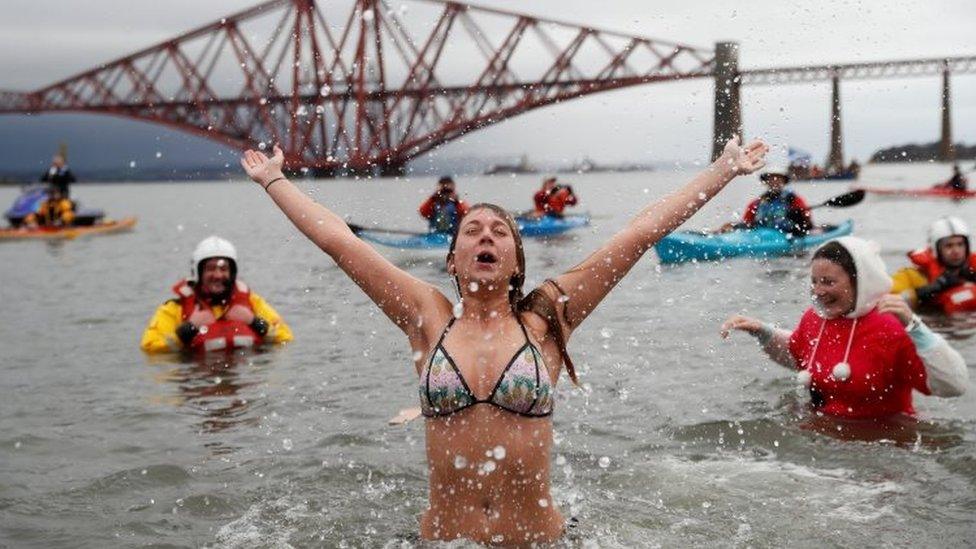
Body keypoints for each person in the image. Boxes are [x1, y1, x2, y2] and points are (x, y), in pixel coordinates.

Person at [240, 136, 768, 544]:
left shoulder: (546, 318)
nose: (486, 235)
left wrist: (723, 171)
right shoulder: (428, 318)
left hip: (539, 543)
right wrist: (274, 180)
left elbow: (637, 235)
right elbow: (339, 241)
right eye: (471, 230)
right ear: (452, 260)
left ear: (516, 260)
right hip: (443, 543)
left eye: (499, 231)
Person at [722, 237, 967, 420]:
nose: (818, 291)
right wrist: (763, 332)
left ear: (860, 281)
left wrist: (917, 328)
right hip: (821, 437)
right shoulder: (814, 319)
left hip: (881, 446)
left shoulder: (889, 326)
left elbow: (953, 386)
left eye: (828, 282)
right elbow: (798, 356)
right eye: (814, 282)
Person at [140, 236, 293, 354]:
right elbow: (150, 347)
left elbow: (285, 337)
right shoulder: (175, 308)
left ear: (232, 273)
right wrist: (190, 328)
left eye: (223, 269)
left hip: (242, 382)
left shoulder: (252, 303)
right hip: (197, 383)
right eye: (210, 269)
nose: (217, 275)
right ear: (198, 272)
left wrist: (253, 321)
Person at [891, 216, 976, 313]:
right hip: (934, 322)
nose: (956, 251)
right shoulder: (913, 275)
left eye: (960, 244)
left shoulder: (973, 269)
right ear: (936, 249)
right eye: (949, 246)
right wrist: (930, 289)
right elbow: (890, 302)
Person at [720, 167, 812, 235]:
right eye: (771, 179)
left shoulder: (793, 199)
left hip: (785, 234)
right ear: (766, 182)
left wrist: (798, 219)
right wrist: (734, 226)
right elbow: (748, 223)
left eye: (778, 179)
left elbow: (807, 222)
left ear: (784, 181)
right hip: (761, 234)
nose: (775, 182)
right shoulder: (757, 203)